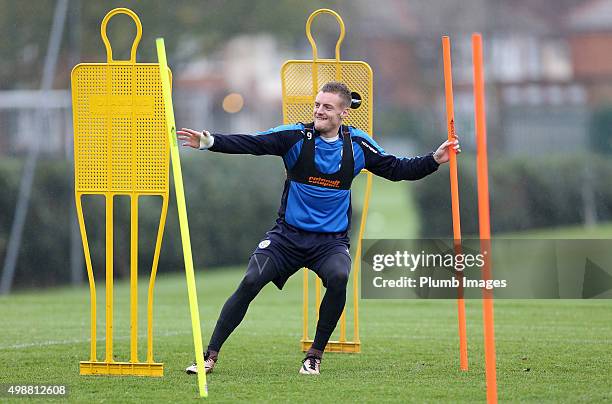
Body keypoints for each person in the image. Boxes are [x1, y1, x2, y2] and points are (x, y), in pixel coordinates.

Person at [177, 81, 460, 376]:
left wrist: (433, 160)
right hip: (287, 237)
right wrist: (210, 142)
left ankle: (314, 356)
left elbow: (397, 169)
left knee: (339, 276)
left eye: (327, 107)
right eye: (316, 105)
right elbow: (253, 143)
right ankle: (208, 356)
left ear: (343, 113)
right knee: (250, 281)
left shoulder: (358, 145)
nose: (319, 111)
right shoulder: (295, 137)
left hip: (329, 243)